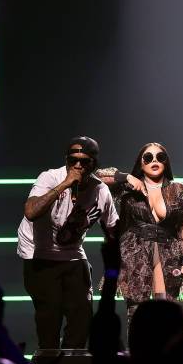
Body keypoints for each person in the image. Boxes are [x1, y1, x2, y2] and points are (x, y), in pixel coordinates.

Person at [17, 136, 118, 349]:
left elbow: (113, 228)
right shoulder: (50, 178)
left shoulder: (100, 191)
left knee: (82, 316)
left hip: (73, 253)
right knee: (49, 317)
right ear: (66, 160)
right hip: (39, 253)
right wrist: (64, 185)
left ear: (94, 163)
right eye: (73, 160)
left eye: (84, 161)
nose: (78, 166)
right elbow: (31, 211)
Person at [97, 142, 183, 324]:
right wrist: (127, 177)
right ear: (141, 163)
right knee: (137, 312)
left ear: (166, 162)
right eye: (148, 157)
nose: (154, 161)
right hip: (135, 254)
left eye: (160, 157)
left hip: (168, 253)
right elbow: (96, 177)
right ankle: (139, 350)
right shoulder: (127, 188)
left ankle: (169, 350)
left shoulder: (178, 189)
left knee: (168, 311)